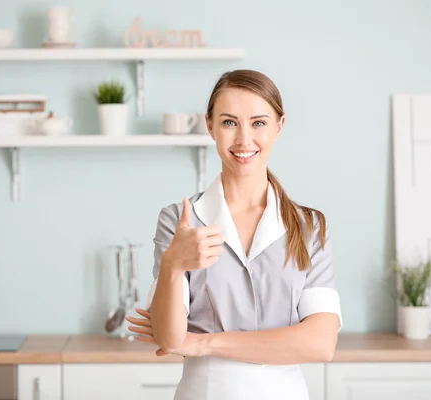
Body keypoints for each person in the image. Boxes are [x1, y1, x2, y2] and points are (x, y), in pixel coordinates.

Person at [125, 69, 342, 400]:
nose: (244, 140)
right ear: (210, 126)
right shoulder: (180, 221)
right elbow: (170, 338)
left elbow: (321, 343)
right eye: (229, 123)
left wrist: (202, 342)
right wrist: (173, 263)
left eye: (258, 123)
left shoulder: (309, 227)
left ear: (278, 127)